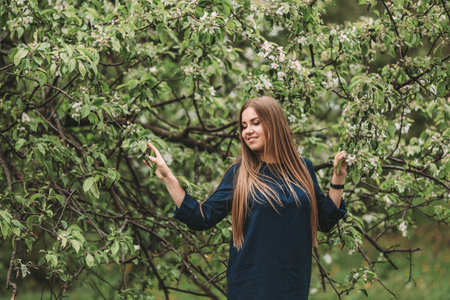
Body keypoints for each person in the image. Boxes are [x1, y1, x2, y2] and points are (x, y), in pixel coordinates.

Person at [144, 96, 348, 300]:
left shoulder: (303, 169)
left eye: (255, 123)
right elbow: (201, 217)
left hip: (293, 285)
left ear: (274, 123)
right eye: (243, 126)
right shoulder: (240, 173)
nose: (247, 131)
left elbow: (325, 220)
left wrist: (338, 179)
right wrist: (167, 178)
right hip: (251, 287)